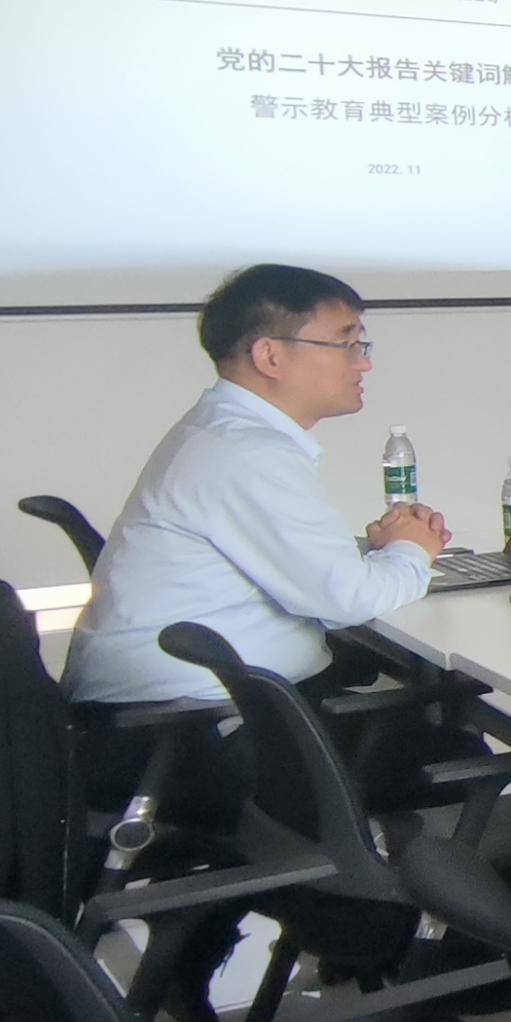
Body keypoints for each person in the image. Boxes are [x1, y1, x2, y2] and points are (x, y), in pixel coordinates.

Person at [63, 262, 452, 710]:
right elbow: (346, 600)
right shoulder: (249, 453)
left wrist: (385, 552)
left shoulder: (222, 431)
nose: (364, 362)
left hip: (190, 702)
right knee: (442, 728)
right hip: (190, 721)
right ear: (270, 356)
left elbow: (315, 576)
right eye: (346, 344)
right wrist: (413, 550)